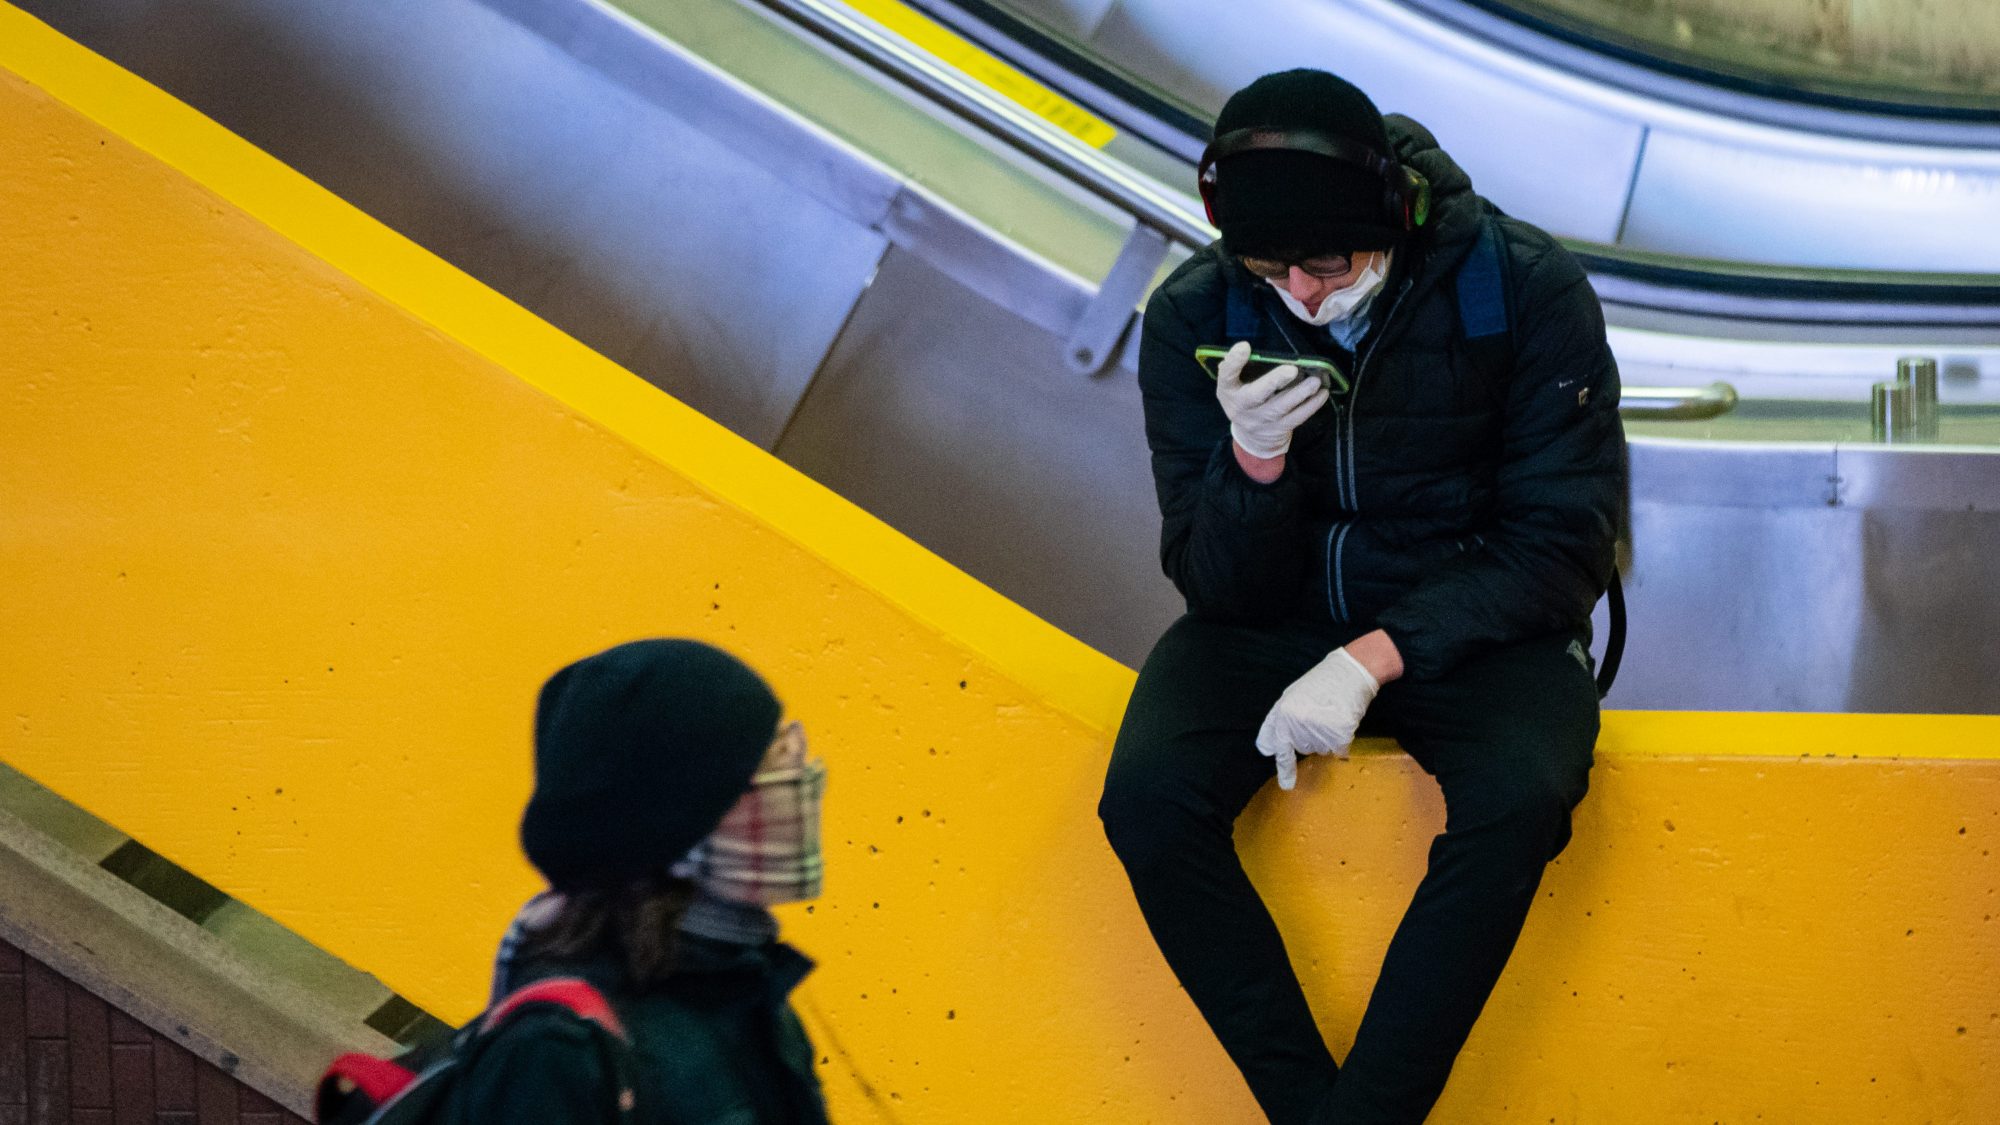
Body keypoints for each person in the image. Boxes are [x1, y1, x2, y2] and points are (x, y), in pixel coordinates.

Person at [1098, 69, 1626, 1123]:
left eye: (1325, 263)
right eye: (1268, 266)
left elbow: (1560, 546)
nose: (1299, 291)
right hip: (1271, 617)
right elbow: (1208, 580)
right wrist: (1251, 462)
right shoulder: (1197, 313)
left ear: (1393, 216)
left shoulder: (1521, 289)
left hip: (1474, 613)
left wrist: (1371, 655)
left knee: (1520, 798)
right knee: (1147, 802)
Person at [471, 638, 832, 1123]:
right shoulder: (562, 1048)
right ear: (679, 818)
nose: (801, 773)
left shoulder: (748, 986)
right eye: (772, 757)